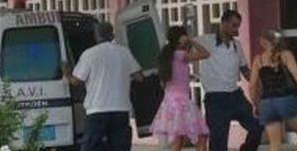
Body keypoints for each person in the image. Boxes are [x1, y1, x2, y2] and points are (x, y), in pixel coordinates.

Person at [63, 22, 143, 151]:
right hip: (120, 108)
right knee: (120, 147)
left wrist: (66, 73)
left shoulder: (89, 54)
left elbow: (76, 81)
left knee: (91, 146)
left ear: (96, 35)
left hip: (97, 109)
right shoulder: (124, 52)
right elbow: (139, 76)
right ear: (112, 35)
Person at [196, 9, 263, 151]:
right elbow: (181, 47)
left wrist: (258, 84)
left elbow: (245, 70)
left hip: (235, 96)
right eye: (234, 25)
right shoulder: (206, 40)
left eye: (238, 26)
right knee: (218, 143)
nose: (236, 29)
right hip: (215, 99)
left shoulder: (236, 45)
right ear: (223, 23)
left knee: (257, 126)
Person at [249, 28, 297, 151]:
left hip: (266, 104)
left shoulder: (258, 59)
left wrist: (255, 104)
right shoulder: (285, 54)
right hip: (285, 99)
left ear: (264, 41)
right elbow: (296, 74)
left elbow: (252, 86)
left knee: (275, 144)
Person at [151, 26, 210, 151]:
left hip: (169, 102)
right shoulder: (180, 55)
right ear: (181, 39)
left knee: (178, 139)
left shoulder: (165, 56)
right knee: (202, 134)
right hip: (182, 102)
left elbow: (163, 83)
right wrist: (192, 41)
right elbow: (205, 54)